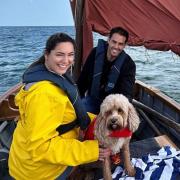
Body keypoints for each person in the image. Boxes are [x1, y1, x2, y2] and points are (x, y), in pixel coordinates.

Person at [8, 33, 111, 180]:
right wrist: (92, 151)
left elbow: (67, 114)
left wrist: (100, 120)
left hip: (27, 158)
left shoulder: (55, 78)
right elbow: (41, 149)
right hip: (39, 172)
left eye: (70, 55)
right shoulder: (44, 94)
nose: (66, 60)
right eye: (60, 55)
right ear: (47, 55)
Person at [77, 26, 136, 114]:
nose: (116, 46)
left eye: (120, 44)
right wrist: (77, 102)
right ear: (108, 40)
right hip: (93, 101)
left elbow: (127, 93)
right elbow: (82, 80)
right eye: (114, 42)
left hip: (114, 106)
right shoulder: (95, 53)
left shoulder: (129, 64)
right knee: (79, 112)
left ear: (124, 45)